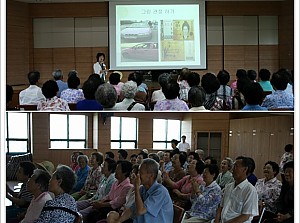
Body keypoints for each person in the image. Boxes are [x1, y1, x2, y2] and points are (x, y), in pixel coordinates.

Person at [107, 158, 174, 223]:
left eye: (140, 172)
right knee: (111, 216)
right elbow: (131, 209)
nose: (137, 175)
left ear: (151, 175)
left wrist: (136, 187)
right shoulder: (143, 189)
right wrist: (119, 221)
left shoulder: (160, 191)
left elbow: (141, 211)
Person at [213, 156, 259, 223]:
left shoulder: (250, 190)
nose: (232, 170)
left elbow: (245, 216)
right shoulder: (228, 187)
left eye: (236, 166)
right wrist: (216, 220)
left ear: (245, 169)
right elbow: (220, 206)